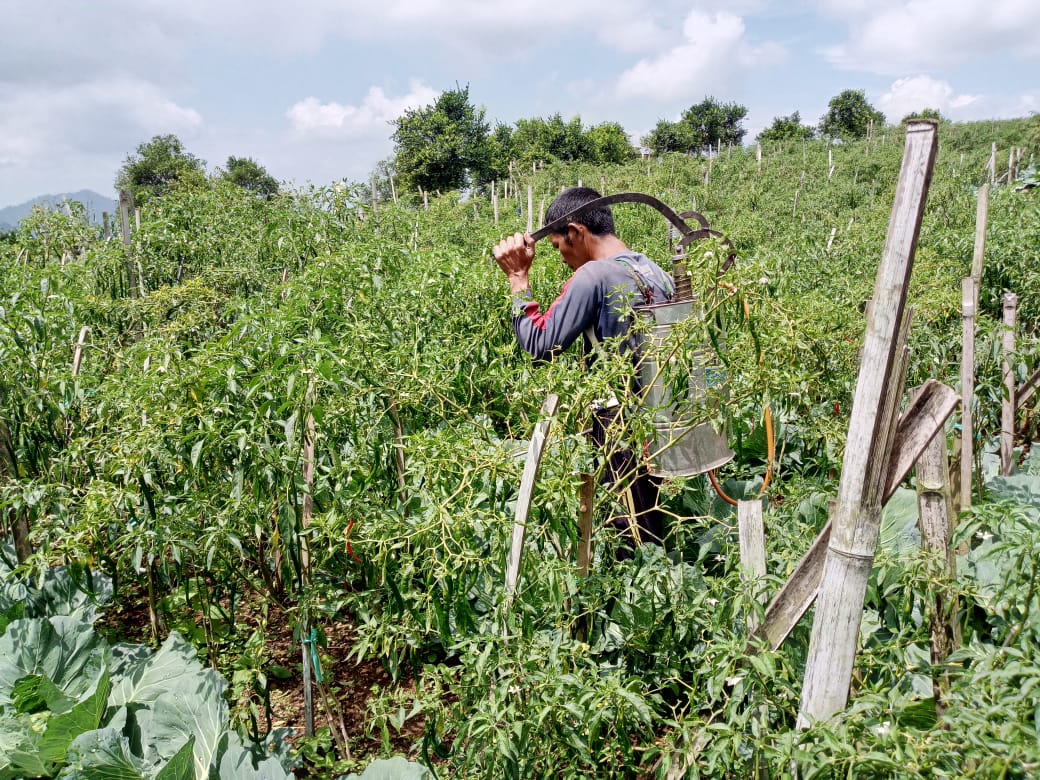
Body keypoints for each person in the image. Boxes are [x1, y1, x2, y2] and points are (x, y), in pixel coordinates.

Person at [492, 187, 674, 555]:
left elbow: (540, 346)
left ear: (576, 232)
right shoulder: (655, 270)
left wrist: (518, 281)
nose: (563, 259)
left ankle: (639, 603)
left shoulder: (593, 276)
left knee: (630, 537)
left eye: (560, 247)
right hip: (661, 418)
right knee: (651, 521)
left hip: (618, 426)